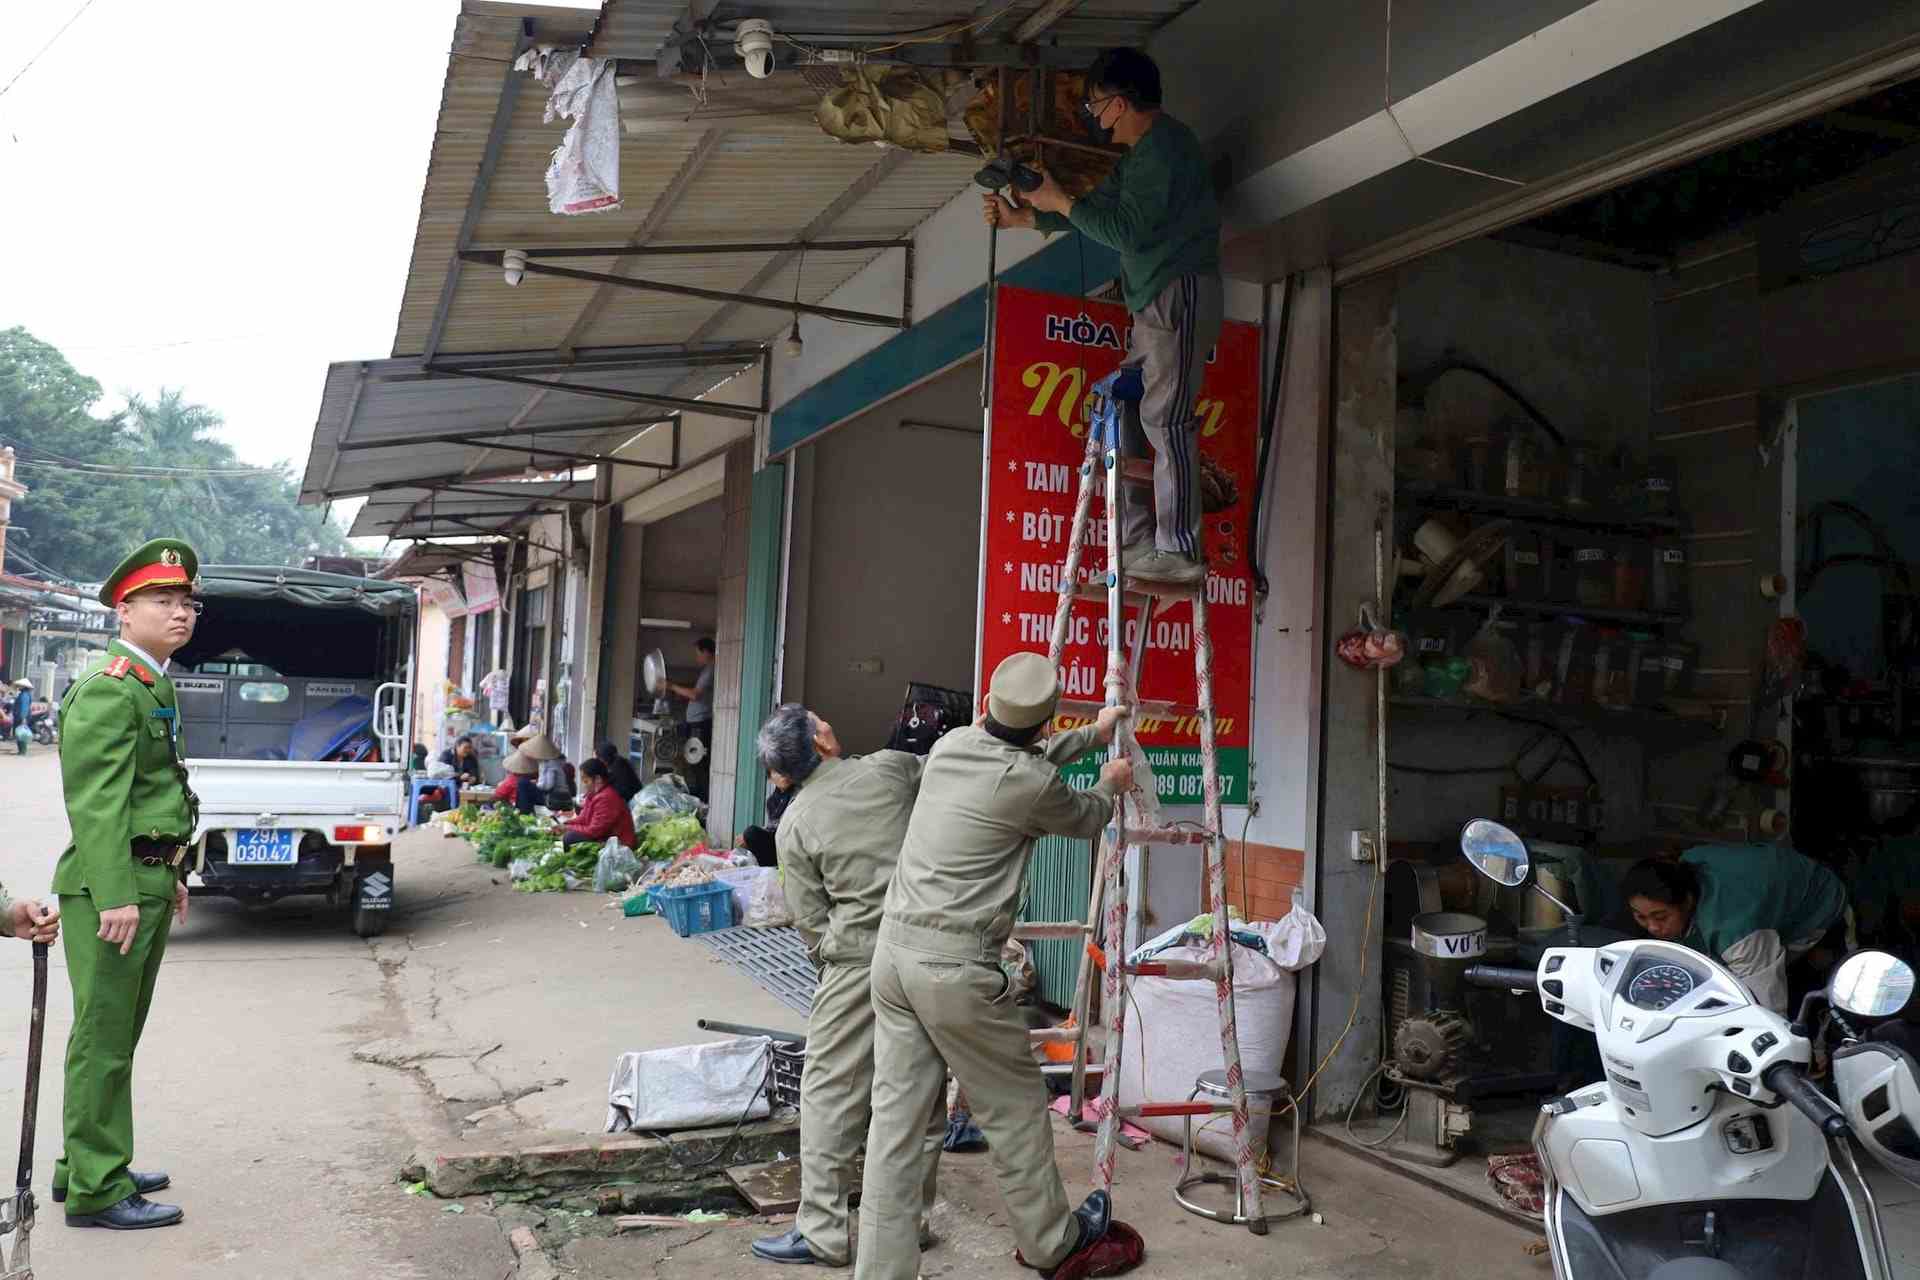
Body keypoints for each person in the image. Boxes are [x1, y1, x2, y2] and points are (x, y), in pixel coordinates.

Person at [854, 653, 1136, 1280]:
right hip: (955, 970)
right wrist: (1110, 780)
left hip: (894, 958)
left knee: (896, 1128)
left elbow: (1021, 764)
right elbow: (1084, 814)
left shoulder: (954, 745)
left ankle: (880, 1270)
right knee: (1014, 1112)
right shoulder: (1030, 785)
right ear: (1042, 726)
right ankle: (1051, 1244)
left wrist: (1091, 733)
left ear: (986, 707)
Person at [986, 47, 1221, 586]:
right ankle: (1143, 547)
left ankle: (1179, 549)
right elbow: (1098, 215)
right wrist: (1029, 216)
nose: (1094, 118)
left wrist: (1059, 200)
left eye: (1094, 107)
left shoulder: (1164, 149)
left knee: (1167, 418)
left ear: (1119, 103)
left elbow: (1125, 232)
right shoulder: (1141, 156)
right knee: (1135, 414)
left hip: (1176, 293)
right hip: (1154, 302)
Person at [748, 704, 949, 1267]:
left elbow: (809, 920)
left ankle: (822, 1231)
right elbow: (941, 775)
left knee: (831, 1092)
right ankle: (909, 1224)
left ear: (782, 772)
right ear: (825, 738)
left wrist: (835, 960)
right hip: (924, 949)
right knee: (920, 1093)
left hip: (856, 962)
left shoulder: (795, 826)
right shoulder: (890, 770)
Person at [53, 537, 202, 1229]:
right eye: (163, 601)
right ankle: (98, 1188)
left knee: (114, 1034)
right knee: (103, 1038)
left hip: (145, 876)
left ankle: (84, 1162)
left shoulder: (150, 681)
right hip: (111, 887)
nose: (181, 613)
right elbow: (97, 802)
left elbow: (155, 792)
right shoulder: (111, 688)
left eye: (186, 602)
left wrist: (171, 873)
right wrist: (116, 892)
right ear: (124, 610)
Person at [1623, 844, 1850, 1014]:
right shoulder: (1682, 866)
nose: (1652, 927)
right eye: (1640, 917)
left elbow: (1768, 1009)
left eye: (1660, 917)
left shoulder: (1738, 935)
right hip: (1764, 884)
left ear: (1688, 902)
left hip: (1816, 902)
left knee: (1806, 994)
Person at [668, 637, 716, 802]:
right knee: (694, 764)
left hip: (701, 724)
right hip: (696, 723)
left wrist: (672, 686)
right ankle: (700, 798)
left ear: (707, 652)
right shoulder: (706, 671)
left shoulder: (710, 670)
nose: (697, 658)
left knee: (698, 763)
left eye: (698, 653)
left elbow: (695, 694)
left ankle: (703, 800)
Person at [562, 758, 637, 849]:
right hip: (604, 837)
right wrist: (565, 824)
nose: (584, 785)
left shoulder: (607, 797)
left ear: (598, 779)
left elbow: (594, 831)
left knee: (570, 838)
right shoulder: (593, 794)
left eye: (586, 781)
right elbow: (583, 818)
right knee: (570, 834)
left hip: (620, 845)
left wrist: (567, 828)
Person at [496, 750, 538, 814]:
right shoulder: (534, 779)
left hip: (516, 810)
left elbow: (498, 795)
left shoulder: (512, 779)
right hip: (532, 809)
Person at [11, 678, 32, 755]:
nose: (18, 686)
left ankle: (22, 751)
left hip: (21, 717)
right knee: (21, 733)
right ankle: (21, 750)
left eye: (20, 685)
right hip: (20, 717)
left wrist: (23, 718)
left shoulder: (24, 695)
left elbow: (24, 707)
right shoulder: (23, 694)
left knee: (21, 733)